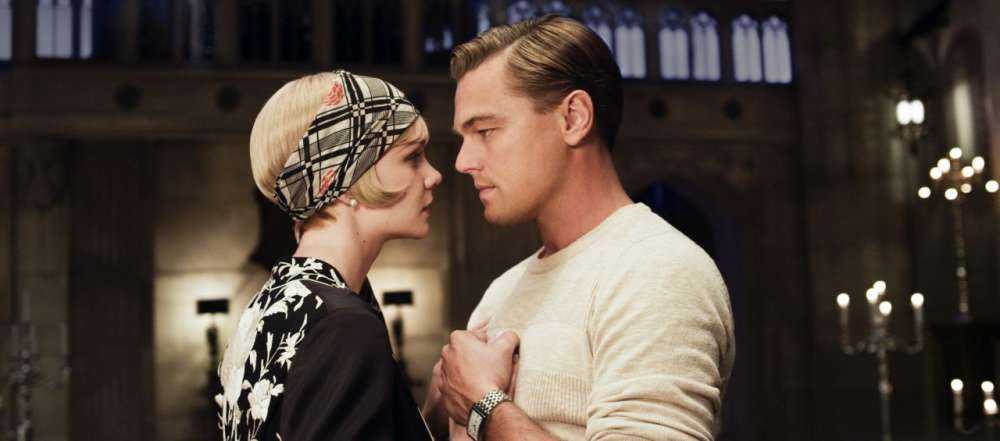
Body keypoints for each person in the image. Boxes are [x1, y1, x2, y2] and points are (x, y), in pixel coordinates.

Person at [423, 15, 735, 441]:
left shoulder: (659, 269)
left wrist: (483, 405)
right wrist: (436, 415)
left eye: (486, 131)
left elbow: (481, 405)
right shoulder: (502, 291)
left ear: (573, 118)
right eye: (463, 137)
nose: (463, 162)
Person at [216, 70, 442, 441]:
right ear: (343, 180)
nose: (434, 175)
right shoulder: (343, 325)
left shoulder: (273, 302)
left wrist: (432, 419)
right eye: (412, 157)